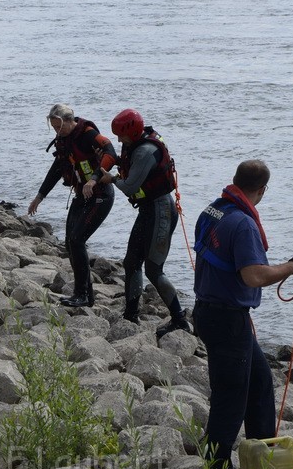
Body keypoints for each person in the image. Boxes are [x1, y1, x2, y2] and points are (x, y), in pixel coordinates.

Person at [191, 159, 293, 469]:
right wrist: (291, 267)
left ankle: (264, 456)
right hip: (227, 320)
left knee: (258, 384)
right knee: (230, 401)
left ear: (235, 181)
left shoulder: (213, 210)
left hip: (208, 312)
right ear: (261, 191)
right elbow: (253, 275)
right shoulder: (243, 223)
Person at [93, 108, 188, 337]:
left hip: (161, 211)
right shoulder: (134, 143)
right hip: (148, 210)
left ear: (132, 132)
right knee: (131, 261)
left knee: (154, 270)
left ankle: (179, 320)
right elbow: (124, 163)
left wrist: (111, 178)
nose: (117, 139)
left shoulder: (146, 151)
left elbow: (129, 187)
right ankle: (131, 314)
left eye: (120, 135)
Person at [28, 104, 117, 307]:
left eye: (59, 126)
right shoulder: (63, 140)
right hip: (81, 195)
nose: (56, 131)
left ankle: (82, 295)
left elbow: (110, 152)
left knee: (77, 240)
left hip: (100, 195)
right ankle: (87, 295)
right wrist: (39, 197)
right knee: (70, 242)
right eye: (53, 127)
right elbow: (57, 169)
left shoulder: (87, 134)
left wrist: (94, 179)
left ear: (69, 120)